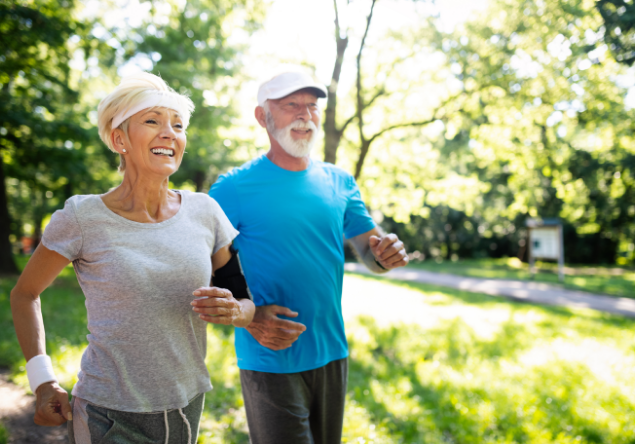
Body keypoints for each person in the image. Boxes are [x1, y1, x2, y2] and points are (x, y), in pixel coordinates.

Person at [10, 72, 255, 444]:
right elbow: (24, 293)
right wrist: (42, 381)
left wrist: (236, 312)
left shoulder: (205, 211)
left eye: (177, 125)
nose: (169, 132)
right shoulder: (82, 217)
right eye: (152, 121)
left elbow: (244, 299)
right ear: (119, 139)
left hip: (186, 407)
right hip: (108, 414)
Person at [208, 71, 409, 444]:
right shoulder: (232, 188)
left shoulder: (341, 181)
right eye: (291, 105)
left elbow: (370, 251)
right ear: (261, 116)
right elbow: (203, 266)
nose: (306, 114)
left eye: (312, 106)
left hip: (332, 349)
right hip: (269, 353)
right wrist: (249, 318)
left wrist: (387, 254)